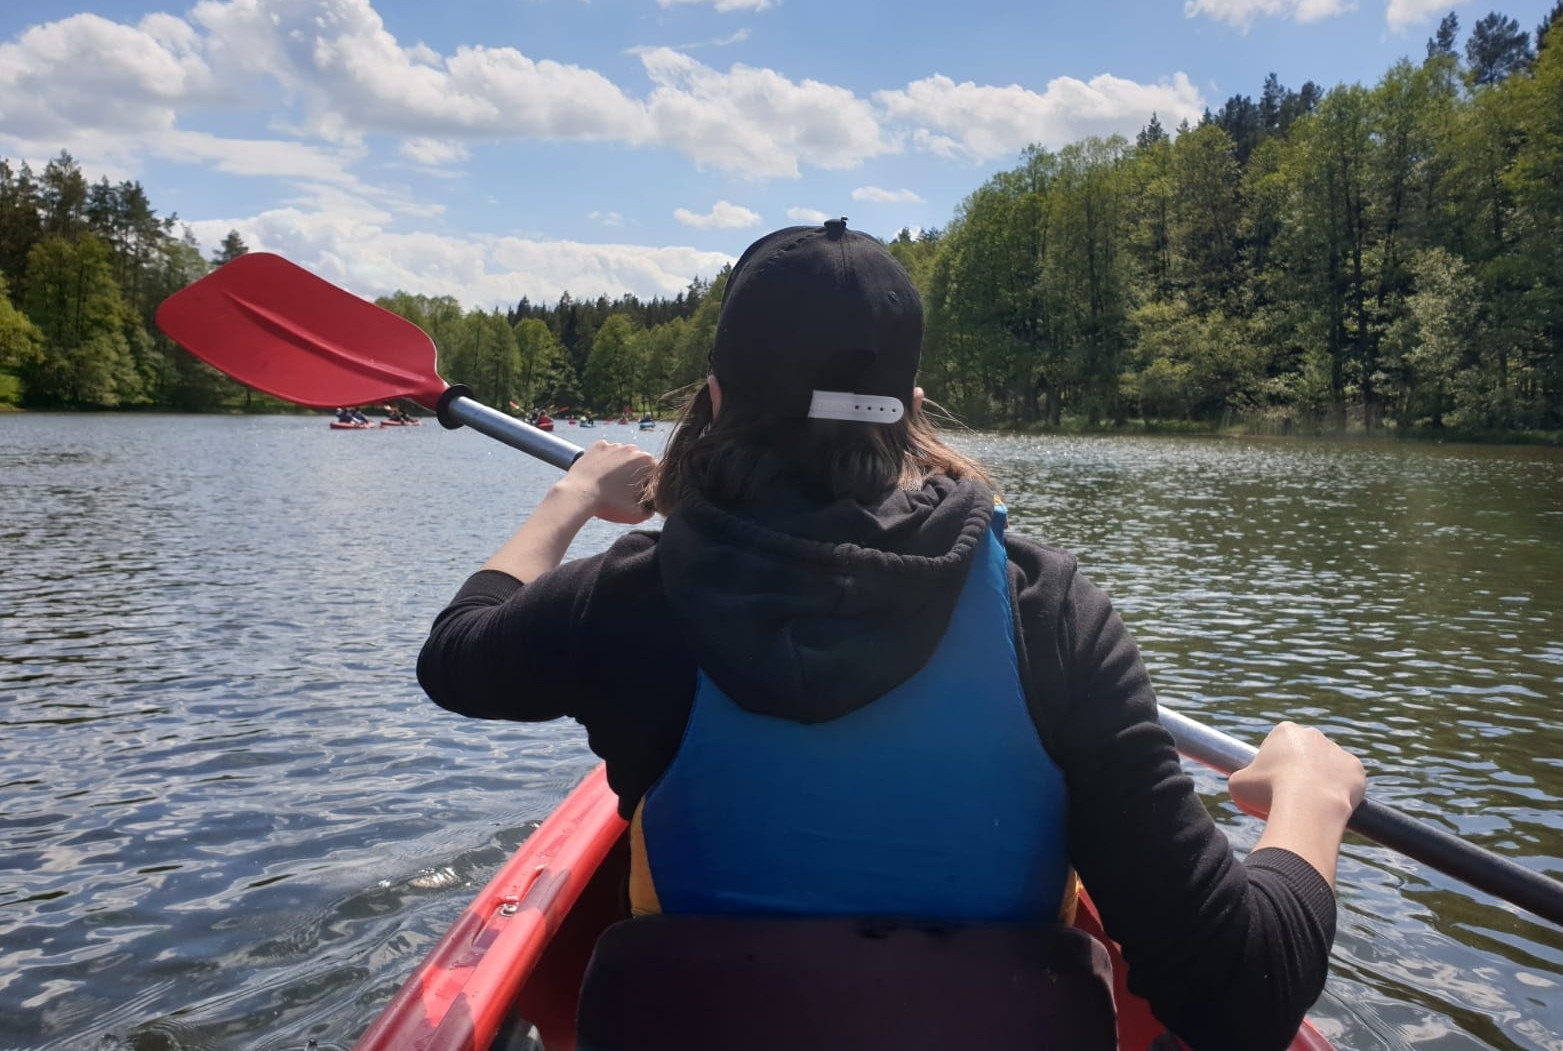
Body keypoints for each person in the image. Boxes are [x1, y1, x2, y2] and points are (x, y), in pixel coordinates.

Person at [416, 219, 1365, 1051]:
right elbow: (1239, 1001)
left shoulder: (628, 600)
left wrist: (572, 497)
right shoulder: (1049, 609)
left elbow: (457, 653)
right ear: (910, 412)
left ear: (713, 401)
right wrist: (1308, 801)